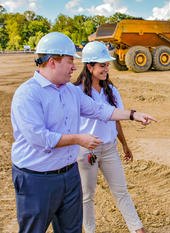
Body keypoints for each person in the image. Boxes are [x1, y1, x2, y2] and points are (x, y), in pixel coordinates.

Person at [11, 32, 155, 233]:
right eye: (70, 61)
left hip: (69, 174)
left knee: (71, 229)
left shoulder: (70, 91)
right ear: (53, 62)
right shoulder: (27, 94)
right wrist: (78, 139)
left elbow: (99, 110)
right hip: (37, 178)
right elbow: (39, 137)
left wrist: (133, 114)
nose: (74, 66)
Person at [73, 41, 145, 233]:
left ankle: (137, 229)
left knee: (121, 191)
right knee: (87, 196)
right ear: (89, 67)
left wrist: (125, 146)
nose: (107, 68)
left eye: (107, 64)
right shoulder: (76, 92)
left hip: (109, 148)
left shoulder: (111, 91)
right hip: (86, 151)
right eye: (102, 65)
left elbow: (117, 119)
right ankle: (88, 230)